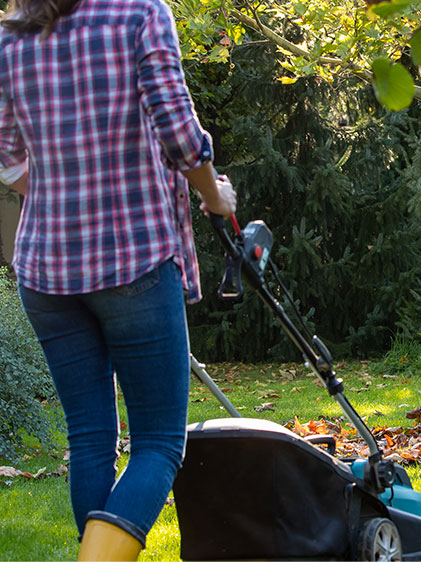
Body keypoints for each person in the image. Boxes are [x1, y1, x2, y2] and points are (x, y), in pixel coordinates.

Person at [0, 0, 236, 559]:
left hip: (46, 270)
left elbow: (9, 164)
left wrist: (69, 190)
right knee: (157, 441)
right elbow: (180, 138)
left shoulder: (11, 36)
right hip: (132, 259)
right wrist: (214, 194)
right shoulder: (139, 15)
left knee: (90, 437)